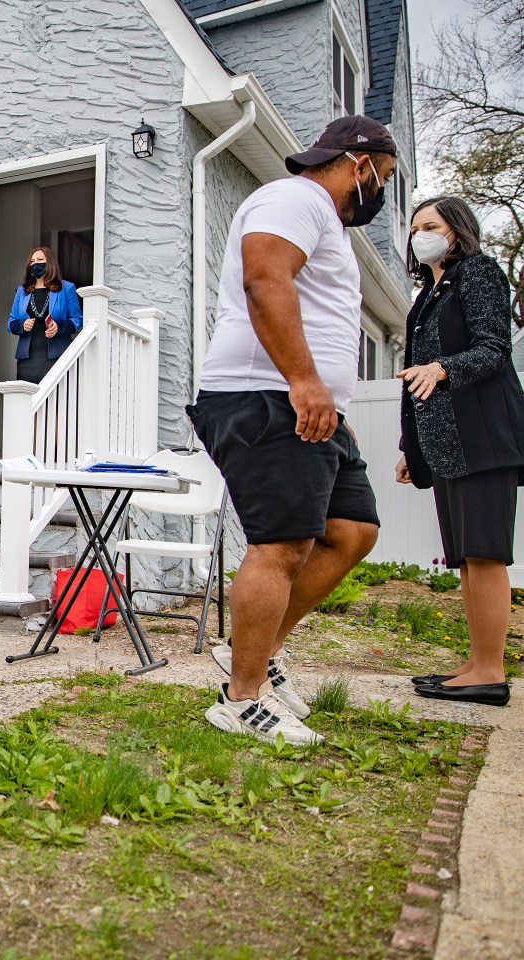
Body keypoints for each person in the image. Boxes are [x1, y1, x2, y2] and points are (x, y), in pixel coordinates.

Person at [186, 115, 398, 745]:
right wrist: (304, 382)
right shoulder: (294, 197)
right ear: (357, 162)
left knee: (352, 531)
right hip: (267, 394)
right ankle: (242, 697)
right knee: (282, 545)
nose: (378, 193)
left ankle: (252, 652)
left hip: (308, 401)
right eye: (381, 178)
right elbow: (265, 277)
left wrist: (329, 399)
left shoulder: (319, 215)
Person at [396, 197, 524, 707]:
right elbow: (415, 378)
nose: (420, 234)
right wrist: (412, 447)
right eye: (414, 228)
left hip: (484, 437)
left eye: (430, 225)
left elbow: (494, 347)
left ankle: (490, 672)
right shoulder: (427, 295)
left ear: (457, 230)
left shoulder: (478, 274)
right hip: (446, 445)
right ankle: (477, 665)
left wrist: (443, 368)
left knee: (486, 554)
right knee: (467, 559)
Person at [6, 247, 83, 383]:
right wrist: (22, 325)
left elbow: (77, 321)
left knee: (56, 399)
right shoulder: (22, 291)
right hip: (28, 358)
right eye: (32, 261)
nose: (36, 264)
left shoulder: (67, 288)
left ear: (50, 263)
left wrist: (58, 327)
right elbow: (11, 323)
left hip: (58, 356)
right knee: (28, 400)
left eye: (40, 260)